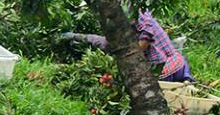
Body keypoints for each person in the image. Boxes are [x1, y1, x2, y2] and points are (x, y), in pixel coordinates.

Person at [61, 8, 192, 82]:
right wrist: (79, 37)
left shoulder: (132, 11)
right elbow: (107, 43)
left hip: (164, 70)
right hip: (179, 64)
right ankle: (188, 80)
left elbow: (146, 35)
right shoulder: (117, 20)